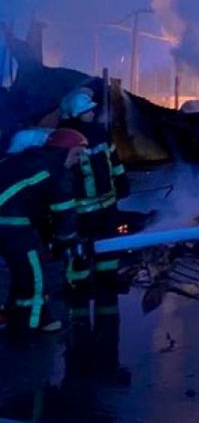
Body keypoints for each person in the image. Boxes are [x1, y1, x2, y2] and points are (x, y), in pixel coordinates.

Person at [0, 128, 83, 333]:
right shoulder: (55, 171)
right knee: (33, 273)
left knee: (19, 271)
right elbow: (64, 213)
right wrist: (65, 239)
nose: (78, 160)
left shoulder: (29, 160)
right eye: (76, 154)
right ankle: (32, 324)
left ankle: (14, 315)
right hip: (12, 225)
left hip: (10, 222)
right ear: (64, 151)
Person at [58, 88, 129, 293]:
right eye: (86, 111)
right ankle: (78, 285)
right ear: (74, 114)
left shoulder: (100, 133)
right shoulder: (64, 139)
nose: (92, 113)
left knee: (108, 243)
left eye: (91, 110)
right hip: (80, 207)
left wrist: (121, 180)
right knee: (80, 247)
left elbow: (113, 160)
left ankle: (108, 279)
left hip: (107, 201)